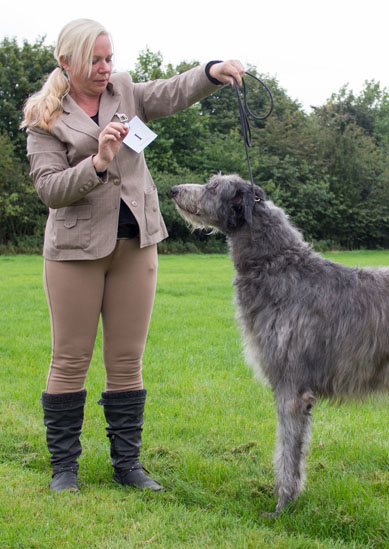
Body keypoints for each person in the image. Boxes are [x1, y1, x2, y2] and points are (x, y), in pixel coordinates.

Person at [21, 18, 245, 493]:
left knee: (126, 360)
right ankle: (65, 470)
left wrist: (211, 71)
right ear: (67, 63)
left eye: (109, 58)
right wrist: (98, 162)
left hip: (137, 244)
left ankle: (128, 466)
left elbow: (171, 91)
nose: (106, 69)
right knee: (69, 359)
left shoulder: (124, 89)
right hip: (75, 252)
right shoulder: (45, 119)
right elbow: (50, 191)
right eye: (95, 61)